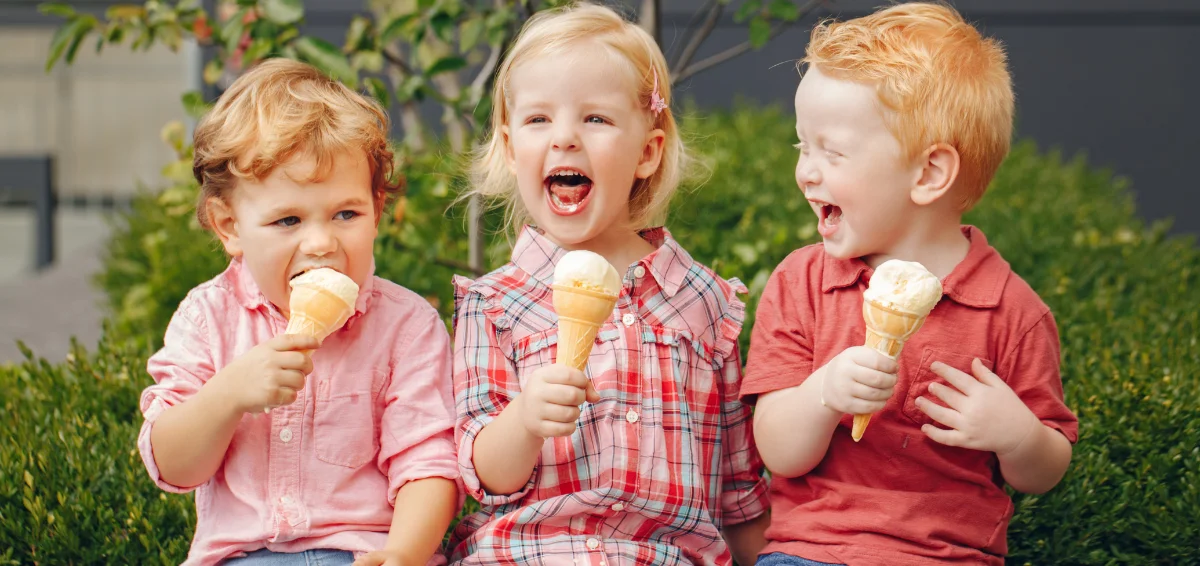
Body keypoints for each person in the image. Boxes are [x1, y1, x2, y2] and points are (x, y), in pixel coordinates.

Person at [743, 4, 1079, 565]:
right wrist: (822, 394)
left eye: (832, 151)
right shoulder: (800, 284)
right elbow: (778, 451)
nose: (806, 170)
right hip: (814, 554)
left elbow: (1045, 469)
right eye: (803, 146)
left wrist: (1016, 436)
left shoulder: (1012, 312)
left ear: (927, 174)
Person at [449, 3, 769, 565]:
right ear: (509, 146)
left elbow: (738, 492)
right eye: (538, 119)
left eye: (595, 119)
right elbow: (485, 475)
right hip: (529, 554)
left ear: (647, 151)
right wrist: (523, 420)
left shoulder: (703, 303)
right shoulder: (495, 303)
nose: (565, 138)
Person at [136, 58, 459, 566]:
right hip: (240, 557)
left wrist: (402, 554)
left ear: (377, 209)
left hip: (364, 552)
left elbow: (429, 464)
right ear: (230, 228)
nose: (321, 242)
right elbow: (174, 467)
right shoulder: (208, 317)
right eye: (288, 219)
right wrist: (228, 393)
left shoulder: (406, 326)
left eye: (346, 214)